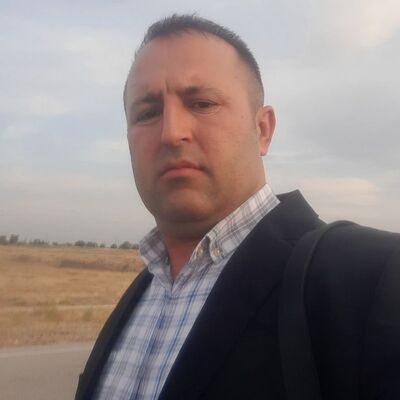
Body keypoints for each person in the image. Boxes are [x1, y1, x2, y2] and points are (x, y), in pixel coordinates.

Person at [75, 14, 400, 400]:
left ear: (262, 129)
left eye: (202, 103)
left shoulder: (375, 278)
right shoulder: (143, 294)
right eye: (147, 113)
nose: (171, 133)